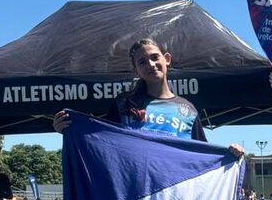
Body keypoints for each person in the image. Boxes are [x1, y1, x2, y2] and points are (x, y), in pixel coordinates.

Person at [54, 39, 243, 158]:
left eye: (155, 57)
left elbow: (204, 155)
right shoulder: (123, 105)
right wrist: (70, 129)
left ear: (166, 59)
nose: (150, 65)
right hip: (135, 198)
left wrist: (231, 153)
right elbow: (100, 142)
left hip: (175, 197)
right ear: (136, 69)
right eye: (142, 62)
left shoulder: (187, 110)